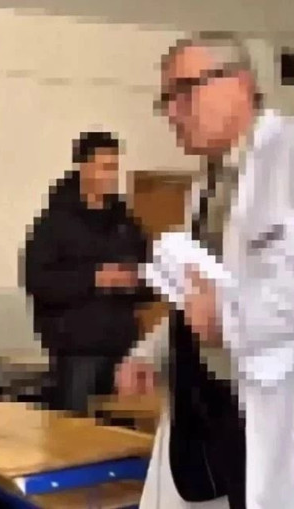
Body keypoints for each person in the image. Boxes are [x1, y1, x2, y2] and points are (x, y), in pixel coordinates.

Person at [119, 31, 294, 509]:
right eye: (166, 100)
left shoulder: (288, 159)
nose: (173, 113)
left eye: (184, 91)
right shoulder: (206, 188)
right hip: (215, 407)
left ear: (239, 84)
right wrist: (150, 353)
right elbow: (197, 291)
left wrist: (230, 319)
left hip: (274, 404)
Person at [24, 131, 150, 415]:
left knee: (121, 429)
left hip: (123, 349)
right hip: (76, 351)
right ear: (83, 167)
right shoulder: (53, 224)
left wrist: (134, 281)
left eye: (115, 167)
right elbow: (39, 282)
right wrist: (94, 278)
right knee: (77, 430)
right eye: (105, 167)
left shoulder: (126, 224)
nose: (111, 176)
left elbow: (151, 278)